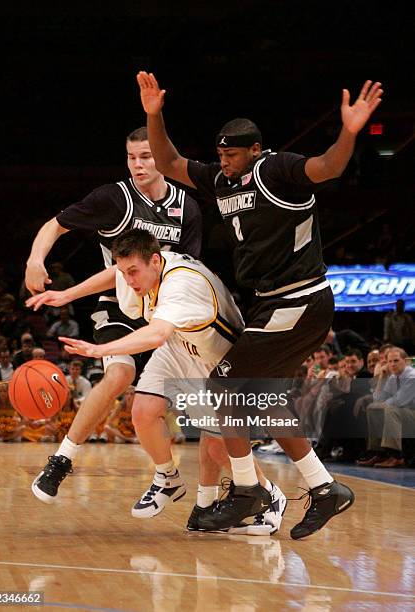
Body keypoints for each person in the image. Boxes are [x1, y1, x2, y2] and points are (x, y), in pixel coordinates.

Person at [137, 71, 382, 537]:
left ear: (254, 149)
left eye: (231, 154)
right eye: (220, 154)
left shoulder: (277, 170)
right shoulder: (222, 179)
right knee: (261, 401)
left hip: (301, 298)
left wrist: (349, 131)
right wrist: (154, 114)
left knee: (223, 386)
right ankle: (325, 487)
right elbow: (169, 161)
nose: (223, 162)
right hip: (271, 304)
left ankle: (248, 490)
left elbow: (328, 167)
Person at [29, 229, 287, 535]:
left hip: (217, 361)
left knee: (219, 450)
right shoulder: (141, 270)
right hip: (180, 345)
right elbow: (114, 273)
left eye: (133, 272)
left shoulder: (181, 285)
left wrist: (101, 350)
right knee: (143, 411)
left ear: (155, 260)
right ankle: (168, 478)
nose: (128, 280)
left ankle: (272, 496)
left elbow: (156, 335)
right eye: (125, 272)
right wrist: (67, 295)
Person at [25, 126, 202, 501]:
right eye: (131, 157)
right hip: (119, 303)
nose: (138, 165)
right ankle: (62, 460)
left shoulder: (186, 207)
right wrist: (35, 259)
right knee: (120, 373)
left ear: (161, 156)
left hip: (166, 308)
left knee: (211, 391)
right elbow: (55, 226)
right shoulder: (114, 199)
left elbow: (187, 270)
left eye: (146, 156)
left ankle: (232, 488)